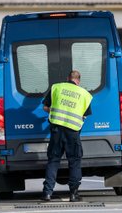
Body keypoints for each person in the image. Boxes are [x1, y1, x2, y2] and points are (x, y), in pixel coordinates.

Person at [41, 70, 92, 202]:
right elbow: (84, 115)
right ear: (78, 81)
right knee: (74, 162)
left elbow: (45, 108)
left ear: (67, 78)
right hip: (73, 132)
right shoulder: (84, 94)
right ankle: (73, 194)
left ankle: (47, 193)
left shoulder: (57, 87)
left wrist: (55, 110)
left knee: (53, 161)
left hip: (57, 130)